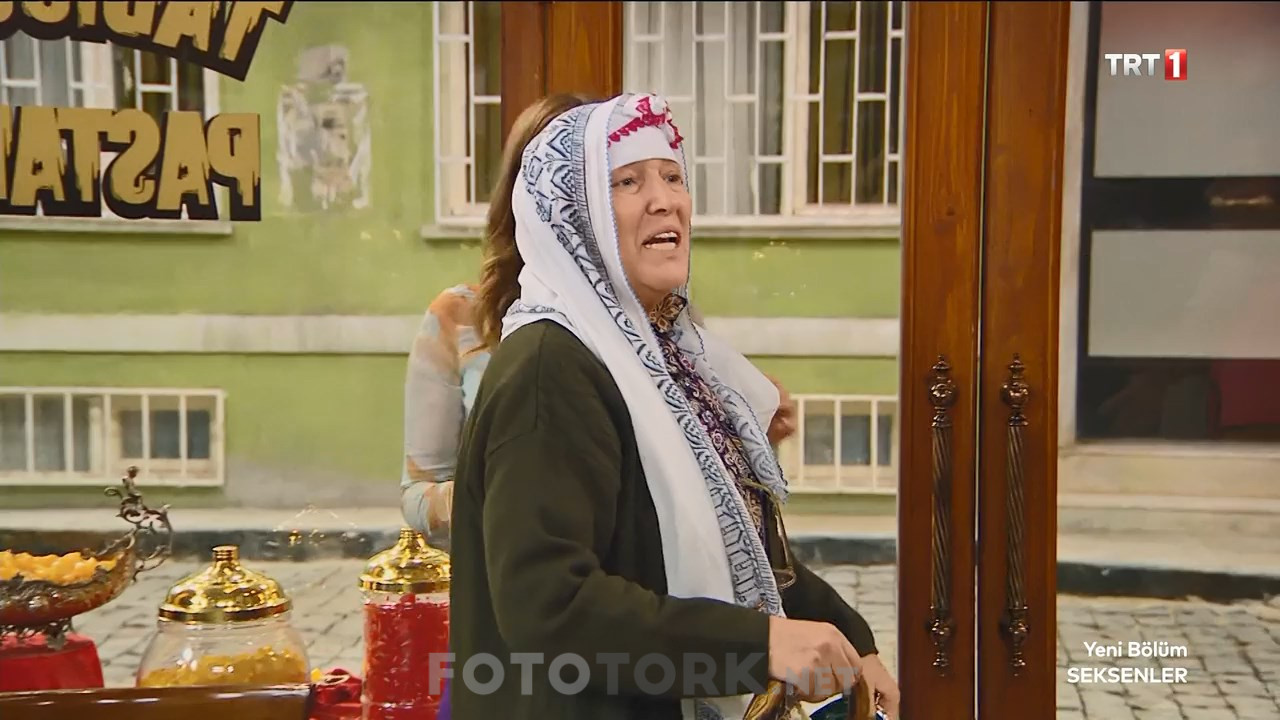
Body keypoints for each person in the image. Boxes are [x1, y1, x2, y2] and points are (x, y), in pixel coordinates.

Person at [448, 93, 900, 720]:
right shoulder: (550, 367)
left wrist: (853, 641)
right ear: (575, 215)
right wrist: (757, 646)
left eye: (673, 176)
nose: (664, 200)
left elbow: (736, 543)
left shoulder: (662, 355)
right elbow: (548, 603)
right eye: (627, 182)